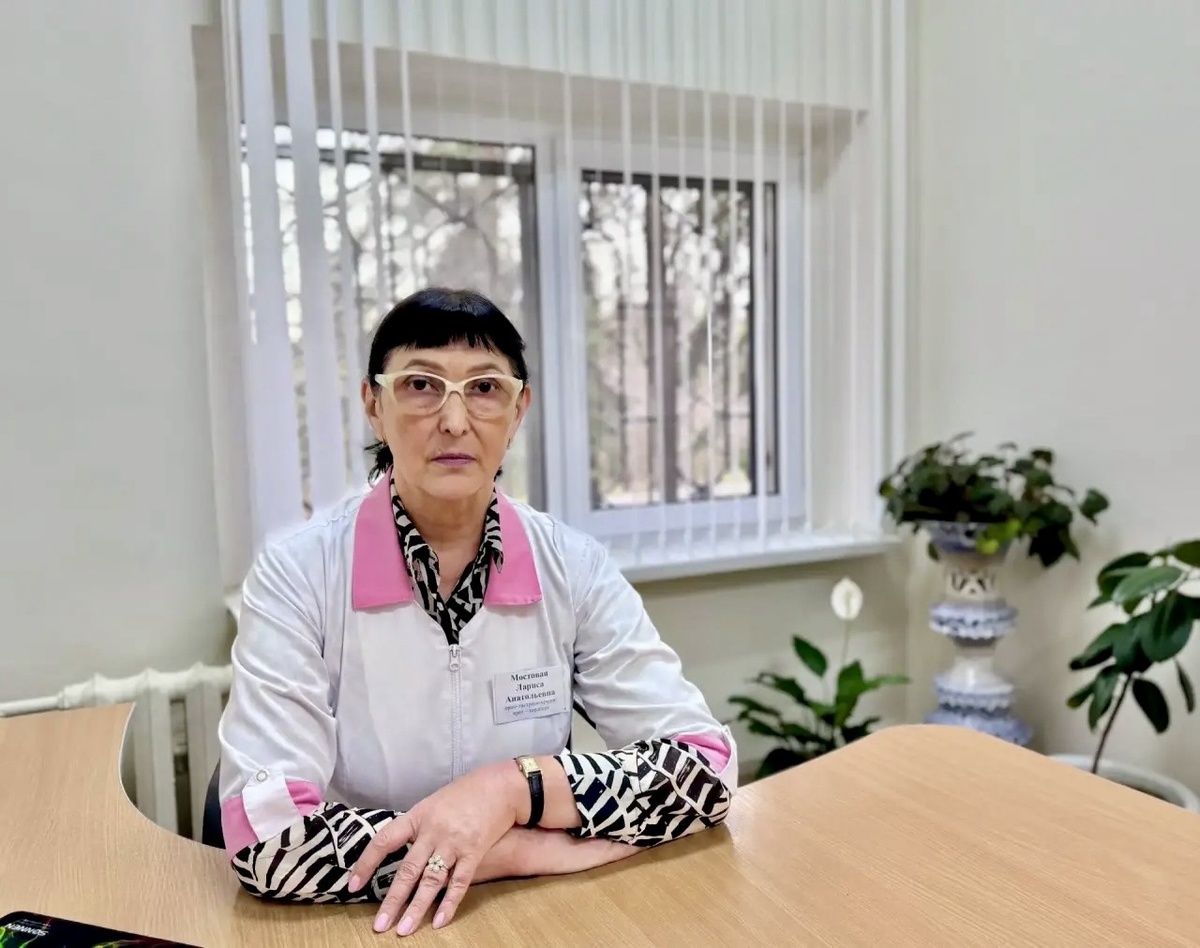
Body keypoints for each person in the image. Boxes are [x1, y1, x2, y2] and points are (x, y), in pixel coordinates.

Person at [217, 287, 737, 937]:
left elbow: (706, 767)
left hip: (532, 921)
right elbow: (267, 839)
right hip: (360, 926)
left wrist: (513, 789)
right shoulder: (298, 574)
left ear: (519, 410)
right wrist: (510, 851)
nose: (455, 421)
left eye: (485, 388)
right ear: (374, 405)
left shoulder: (572, 566)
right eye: (421, 386)